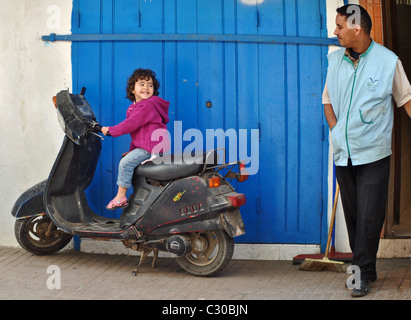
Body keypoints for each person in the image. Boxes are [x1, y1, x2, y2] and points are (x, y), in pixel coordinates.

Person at [322, 4, 411, 297]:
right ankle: (367, 270)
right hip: (343, 154)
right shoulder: (335, 60)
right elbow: (327, 100)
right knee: (355, 217)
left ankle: (359, 276)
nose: (335, 32)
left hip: (373, 153)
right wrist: (335, 130)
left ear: (357, 27)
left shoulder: (388, 62)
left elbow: (406, 99)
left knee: (370, 216)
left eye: (339, 26)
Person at [101, 68, 170, 210]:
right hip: (147, 146)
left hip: (152, 147)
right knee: (127, 159)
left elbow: (130, 125)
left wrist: (110, 130)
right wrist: (132, 150)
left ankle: (120, 197)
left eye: (150, 85)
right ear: (132, 89)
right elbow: (137, 133)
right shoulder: (134, 107)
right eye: (142, 84)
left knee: (125, 164)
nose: (146, 88)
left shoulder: (148, 105)